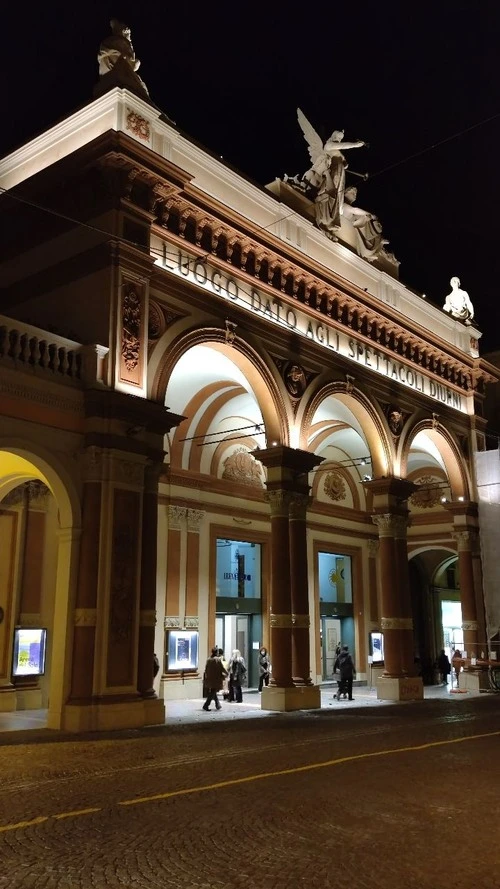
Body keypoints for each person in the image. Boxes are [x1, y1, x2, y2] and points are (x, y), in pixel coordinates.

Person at [297, 108, 366, 239]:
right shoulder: (328, 145)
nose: (339, 141)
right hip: (332, 174)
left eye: (340, 139)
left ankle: (333, 219)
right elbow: (344, 146)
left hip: (340, 176)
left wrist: (344, 164)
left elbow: (343, 160)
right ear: (333, 137)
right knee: (332, 194)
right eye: (338, 138)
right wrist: (355, 145)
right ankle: (327, 218)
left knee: (338, 198)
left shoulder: (337, 149)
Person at [202, 647, 228, 711]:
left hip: (209, 678)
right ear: (216, 652)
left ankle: (217, 704)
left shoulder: (208, 659)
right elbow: (222, 668)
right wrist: (226, 673)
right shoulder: (217, 660)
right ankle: (206, 705)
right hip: (216, 678)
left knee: (213, 691)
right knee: (213, 691)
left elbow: (206, 669)